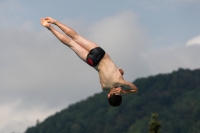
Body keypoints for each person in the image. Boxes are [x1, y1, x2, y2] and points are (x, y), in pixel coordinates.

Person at [40, 17, 138, 107]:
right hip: (93, 62)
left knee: (76, 37)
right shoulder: (104, 87)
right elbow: (104, 75)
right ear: (108, 96)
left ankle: (55, 22)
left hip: (101, 54)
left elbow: (135, 89)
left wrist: (124, 91)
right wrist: (119, 75)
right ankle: (50, 28)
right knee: (71, 44)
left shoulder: (120, 81)